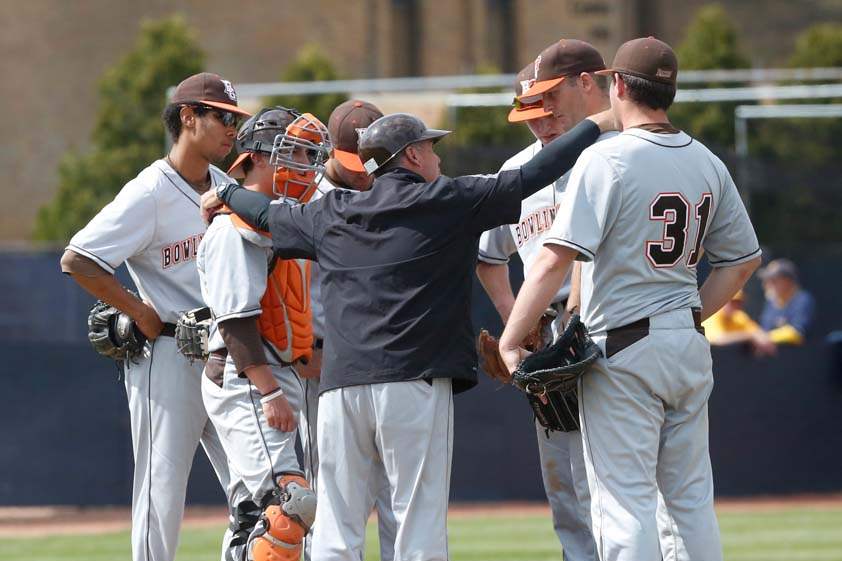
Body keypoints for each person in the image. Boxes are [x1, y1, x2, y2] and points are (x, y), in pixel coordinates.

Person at [200, 108, 615, 561]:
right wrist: (599, 123)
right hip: (413, 383)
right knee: (418, 524)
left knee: (337, 529)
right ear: (413, 155)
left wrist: (224, 192)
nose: (437, 157)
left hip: (341, 390)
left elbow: (262, 213)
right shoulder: (450, 200)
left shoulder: (333, 211)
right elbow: (537, 171)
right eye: (431, 147)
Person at [498, 37, 762, 561]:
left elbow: (553, 260)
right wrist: (683, 317)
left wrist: (510, 339)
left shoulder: (608, 159)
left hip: (621, 350)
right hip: (686, 344)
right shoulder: (706, 160)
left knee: (624, 503)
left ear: (616, 85)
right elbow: (743, 260)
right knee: (689, 502)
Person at [60, 72, 250, 561]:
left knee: (253, 487)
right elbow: (78, 259)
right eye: (223, 118)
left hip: (227, 352)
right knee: (160, 492)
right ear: (189, 118)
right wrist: (138, 309)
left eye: (235, 119)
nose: (233, 129)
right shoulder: (150, 190)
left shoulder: (228, 188)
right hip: (167, 355)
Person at [476, 43, 611, 561]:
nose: (543, 122)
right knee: (565, 487)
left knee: (614, 479)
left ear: (584, 88)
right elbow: (487, 256)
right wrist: (517, 319)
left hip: (604, 323)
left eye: (551, 107)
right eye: (532, 113)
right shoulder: (518, 171)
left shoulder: (611, 154)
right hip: (546, 340)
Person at [198, 107, 328, 561]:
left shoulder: (280, 220)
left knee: (255, 516)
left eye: (306, 156)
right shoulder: (234, 229)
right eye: (288, 155)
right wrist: (269, 391)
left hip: (270, 374)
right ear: (253, 158)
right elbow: (236, 321)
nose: (302, 167)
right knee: (290, 505)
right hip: (248, 379)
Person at [300, 99, 398, 561]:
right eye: (353, 162)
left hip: (386, 361)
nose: (363, 172)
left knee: (398, 498)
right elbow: (289, 292)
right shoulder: (306, 200)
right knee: (334, 501)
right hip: (322, 360)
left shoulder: (392, 189)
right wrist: (303, 351)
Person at [759, 258, 815, 345]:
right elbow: (764, 329)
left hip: (801, 356)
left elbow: (797, 332)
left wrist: (764, 338)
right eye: (767, 280)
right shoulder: (772, 301)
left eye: (773, 280)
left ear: (787, 281)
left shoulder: (802, 300)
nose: (767, 284)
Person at [703, 290, 776, 356]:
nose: (735, 305)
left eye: (738, 302)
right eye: (731, 302)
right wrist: (749, 336)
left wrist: (763, 341)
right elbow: (717, 339)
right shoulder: (712, 315)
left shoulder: (739, 316)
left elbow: (758, 333)